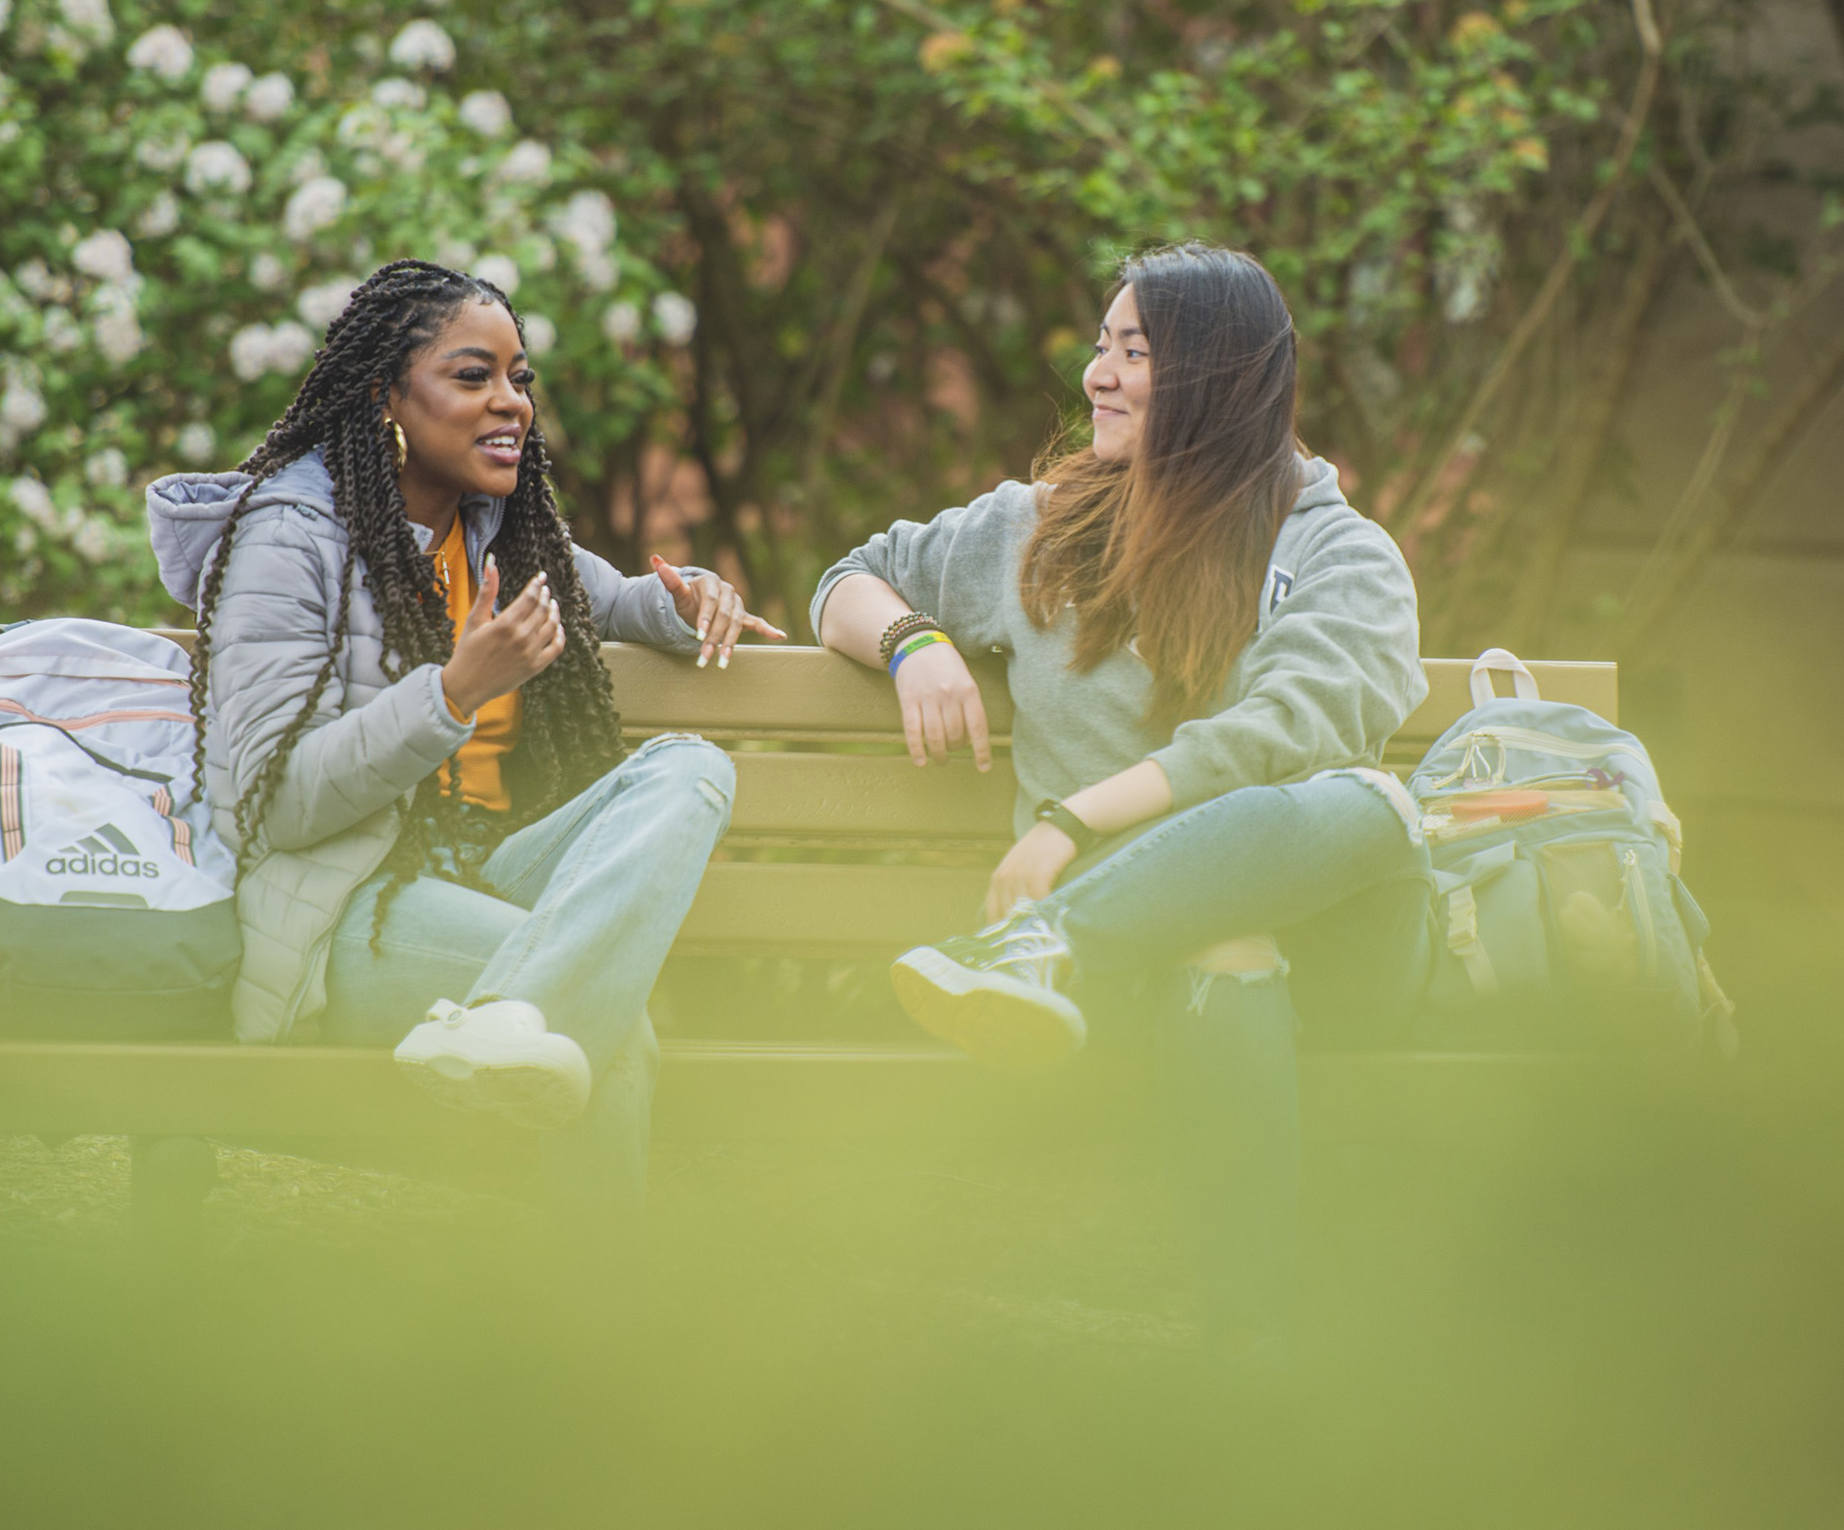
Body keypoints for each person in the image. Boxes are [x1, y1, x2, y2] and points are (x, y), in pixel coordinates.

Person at [812, 241, 1432, 1353]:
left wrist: (1070, 825)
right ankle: (1246, 1363)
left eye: (1134, 351)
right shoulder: (1044, 528)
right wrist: (914, 644)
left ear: (1220, 374)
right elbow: (849, 577)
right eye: (1100, 346)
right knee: (1225, 947)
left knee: (1370, 812)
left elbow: (1287, 735)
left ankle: (1039, 943)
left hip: (1328, 954)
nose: (1098, 373)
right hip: (1137, 971)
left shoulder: (1342, 555)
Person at [148, 258, 781, 1225]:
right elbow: (273, 802)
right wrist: (453, 693)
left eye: (519, 378)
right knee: (614, 1039)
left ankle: (502, 1021)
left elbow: (619, 599)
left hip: (491, 872)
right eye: (473, 375)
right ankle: (602, 1337)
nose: (511, 404)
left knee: (690, 767)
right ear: (386, 396)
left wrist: (692, 598)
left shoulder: (500, 526)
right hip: (351, 902)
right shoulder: (291, 536)